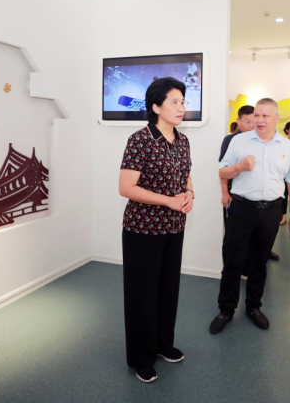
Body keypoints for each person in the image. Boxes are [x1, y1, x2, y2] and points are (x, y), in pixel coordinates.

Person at [118, 77, 193, 384]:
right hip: (143, 229)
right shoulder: (140, 139)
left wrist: (189, 195)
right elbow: (126, 187)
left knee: (167, 289)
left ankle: (163, 344)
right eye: (174, 102)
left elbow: (186, 176)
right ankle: (141, 357)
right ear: (156, 107)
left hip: (174, 226)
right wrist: (168, 201)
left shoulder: (183, 140)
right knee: (142, 294)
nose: (181, 107)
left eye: (183, 101)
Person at [209, 98, 290, 334]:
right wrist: (239, 167)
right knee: (233, 261)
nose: (260, 120)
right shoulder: (239, 141)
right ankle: (226, 309)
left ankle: (253, 307)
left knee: (259, 263)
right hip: (242, 208)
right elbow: (222, 171)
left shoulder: (287, 146)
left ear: (276, 118)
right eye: (257, 115)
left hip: (271, 211)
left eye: (265, 116)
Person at [220, 105, 263, 279]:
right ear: (238, 121)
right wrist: (225, 193)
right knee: (232, 236)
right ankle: (229, 268)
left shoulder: (258, 139)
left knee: (251, 236)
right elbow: (223, 170)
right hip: (234, 195)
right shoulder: (231, 140)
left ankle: (246, 268)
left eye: (254, 121)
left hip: (252, 198)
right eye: (247, 122)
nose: (251, 125)